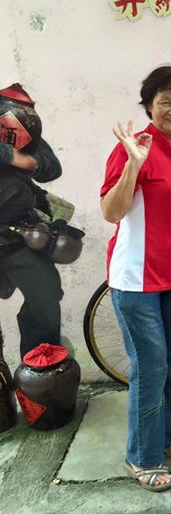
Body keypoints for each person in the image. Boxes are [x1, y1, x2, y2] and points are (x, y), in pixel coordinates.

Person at [100, 65, 171, 491]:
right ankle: (141, 456)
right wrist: (132, 167)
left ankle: (160, 435)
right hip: (135, 280)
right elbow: (111, 211)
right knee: (150, 366)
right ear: (149, 106)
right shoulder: (135, 148)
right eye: (165, 102)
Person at [0, 84, 63, 359]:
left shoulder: (15, 123)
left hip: (18, 235)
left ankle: (39, 369)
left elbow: (52, 167)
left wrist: (30, 162)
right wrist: (8, 155)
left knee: (46, 298)